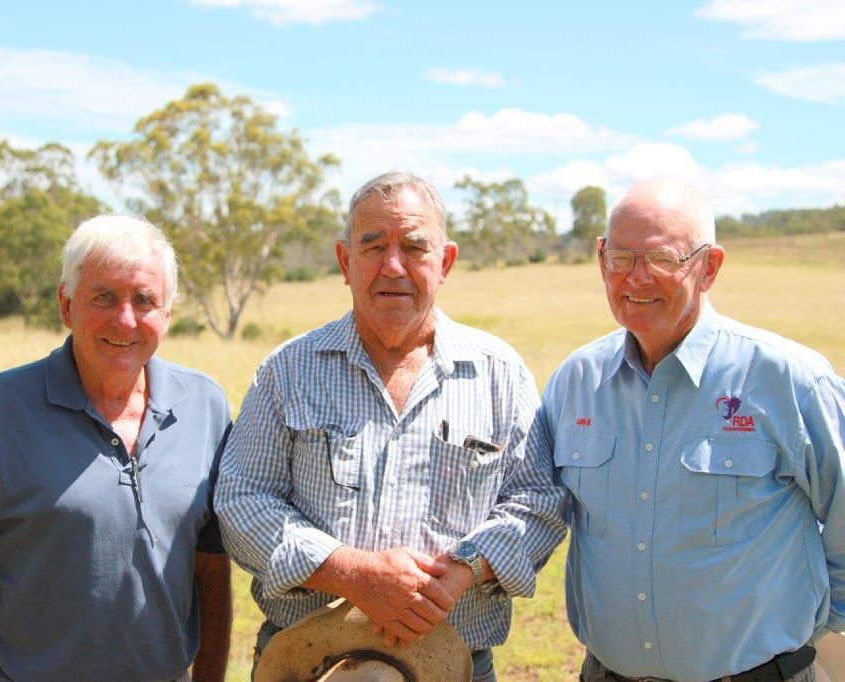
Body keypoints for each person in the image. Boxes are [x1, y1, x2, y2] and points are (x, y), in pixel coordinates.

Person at [215, 170, 567, 681]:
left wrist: (462, 571)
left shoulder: (499, 373)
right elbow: (241, 500)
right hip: (306, 663)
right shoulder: (287, 370)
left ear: (445, 262)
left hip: (454, 665)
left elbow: (538, 504)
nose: (393, 266)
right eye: (373, 246)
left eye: (415, 247)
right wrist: (350, 573)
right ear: (344, 262)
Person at [538, 178, 845, 681]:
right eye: (620, 257)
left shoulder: (789, 379)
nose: (635, 278)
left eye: (660, 259)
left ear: (709, 268)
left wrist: (796, 641)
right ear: (600, 259)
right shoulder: (576, 381)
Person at [0, 215, 232, 682]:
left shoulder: (205, 406)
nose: (124, 318)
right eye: (103, 296)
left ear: (167, 313)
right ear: (66, 305)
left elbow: (211, 573)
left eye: (144, 300)